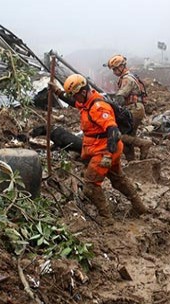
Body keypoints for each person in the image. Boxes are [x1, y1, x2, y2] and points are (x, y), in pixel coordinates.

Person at [59, 74, 148, 224]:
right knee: (118, 180)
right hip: (102, 149)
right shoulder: (86, 101)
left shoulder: (98, 107)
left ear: (82, 91)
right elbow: (74, 102)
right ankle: (139, 207)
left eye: (76, 95)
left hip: (105, 150)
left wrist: (108, 154)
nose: (75, 99)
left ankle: (106, 218)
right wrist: (57, 92)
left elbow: (113, 130)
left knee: (91, 185)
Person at [106, 54, 153, 161]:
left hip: (134, 110)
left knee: (121, 135)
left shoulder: (127, 79)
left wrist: (111, 106)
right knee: (128, 139)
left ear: (121, 67)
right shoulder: (129, 76)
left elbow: (120, 97)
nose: (114, 72)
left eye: (114, 69)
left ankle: (143, 144)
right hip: (135, 109)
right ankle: (132, 163)